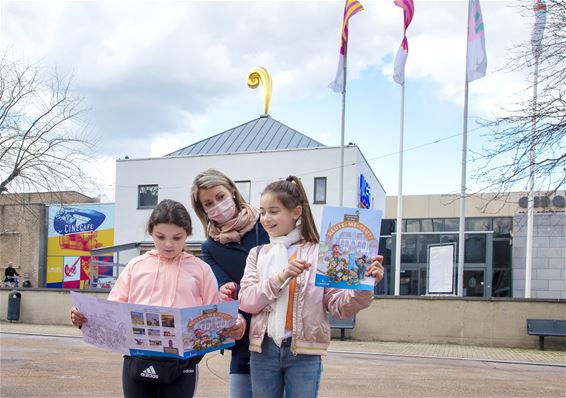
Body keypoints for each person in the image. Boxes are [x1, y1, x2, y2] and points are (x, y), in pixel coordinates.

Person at [70, 199, 246, 398]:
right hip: (136, 359)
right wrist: (83, 317)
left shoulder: (201, 269)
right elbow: (112, 310)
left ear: (187, 234)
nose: (168, 244)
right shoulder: (136, 266)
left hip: (183, 363)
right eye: (160, 237)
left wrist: (236, 323)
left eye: (177, 237)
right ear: (151, 232)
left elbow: (217, 312)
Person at [239, 176, 385, 398]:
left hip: (305, 353)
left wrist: (364, 285)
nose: (266, 218)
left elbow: (339, 307)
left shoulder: (320, 252)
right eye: (262, 211)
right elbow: (247, 301)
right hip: (263, 349)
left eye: (273, 211)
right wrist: (282, 276)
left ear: (296, 212)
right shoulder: (257, 254)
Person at [191, 168, 270, 398]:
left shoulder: (266, 225)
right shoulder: (210, 248)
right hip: (243, 338)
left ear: (233, 192)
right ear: (203, 210)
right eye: (208, 203)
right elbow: (226, 289)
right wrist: (225, 290)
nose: (217, 205)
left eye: (220, 196)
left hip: (278, 333)